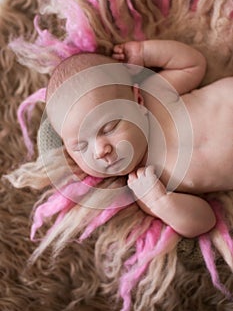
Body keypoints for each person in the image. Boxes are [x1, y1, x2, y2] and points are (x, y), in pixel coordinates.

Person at [46, 39, 233, 238]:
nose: (101, 150)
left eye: (110, 127)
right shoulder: (146, 188)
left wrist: (144, 53)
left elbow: (192, 64)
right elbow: (205, 221)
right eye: (80, 146)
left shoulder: (154, 94)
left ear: (137, 100)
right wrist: (161, 201)